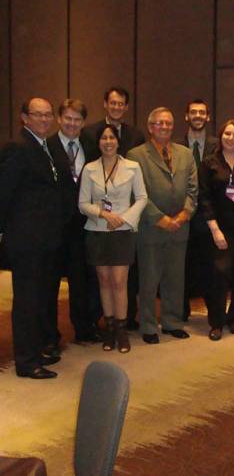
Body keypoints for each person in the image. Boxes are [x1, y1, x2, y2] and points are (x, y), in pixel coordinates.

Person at [0, 98, 67, 379]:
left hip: (45, 240)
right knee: (27, 302)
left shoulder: (44, 146)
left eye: (48, 115)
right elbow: (4, 193)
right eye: (38, 115)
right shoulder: (18, 148)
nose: (44, 119)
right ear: (24, 117)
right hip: (26, 241)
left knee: (40, 299)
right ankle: (27, 362)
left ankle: (36, 351)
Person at [127, 107, 197, 344]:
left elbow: (193, 189)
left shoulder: (185, 154)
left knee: (175, 279)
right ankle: (148, 325)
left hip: (180, 227)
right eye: (159, 123)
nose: (164, 127)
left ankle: (172, 322)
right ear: (150, 127)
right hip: (151, 228)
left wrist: (184, 215)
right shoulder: (136, 155)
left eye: (168, 123)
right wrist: (161, 219)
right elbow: (137, 193)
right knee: (149, 280)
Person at [78, 124, 147, 353]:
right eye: (103, 138)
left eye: (112, 138)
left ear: (118, 142)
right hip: (97, 230)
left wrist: (123, 219)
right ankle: (109, 328)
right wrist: (104, 214)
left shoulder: (133, 167)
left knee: (119, 281)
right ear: (98, 142)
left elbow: (142, 198)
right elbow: (83, 204)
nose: (108, 142)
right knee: (104, 281)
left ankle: (122, 330)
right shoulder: (89, 169)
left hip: (123, 231)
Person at [47, 99, 101, 347]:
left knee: (82, 280)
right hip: (54, 226)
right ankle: (50, 335)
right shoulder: (47, 146)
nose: (72, 123)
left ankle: (84, 328)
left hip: (82, 225)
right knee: (50, 284)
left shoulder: (90, 146)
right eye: (67, 118)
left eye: (77, 119)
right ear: (59, 119)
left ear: (83, 122)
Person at [199, 120, 234, 340]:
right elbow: (204, 197)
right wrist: (214, 229)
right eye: (227, 134)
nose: (230, 138)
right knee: (219, 275)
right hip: (220, 228)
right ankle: (216, 322)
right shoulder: (209, 163)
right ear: (220, 136)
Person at [177, 99, 218, 321]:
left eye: (202, 112)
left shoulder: (218, 145)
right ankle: (181, 312)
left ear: (208, 117)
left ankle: (214, 314)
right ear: (186, 116)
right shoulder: (175, 145)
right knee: (181, 266)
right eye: (193, 112)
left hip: (208, 215)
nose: (198, 116)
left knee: (210, 266)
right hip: (182, 214)